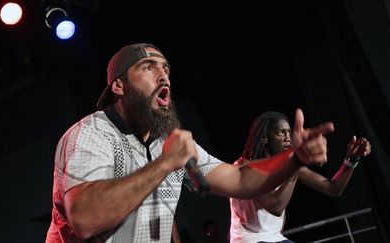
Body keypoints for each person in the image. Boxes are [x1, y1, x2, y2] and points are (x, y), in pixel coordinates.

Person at [44, 43, 334, 243]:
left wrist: (294, 158)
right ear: (119, 86)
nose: (163, 75)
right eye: (148, 67)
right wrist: (166, 163)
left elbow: (240, 178)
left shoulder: (167, 142)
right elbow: (85, 218)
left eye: (166, 69)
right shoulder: (91, 134)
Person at [229, 111, 372, 243]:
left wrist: (351, 160)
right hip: (250, 240)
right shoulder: (246, 166)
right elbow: (275, 206)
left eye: (289, 133)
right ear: (265, 137)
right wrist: (296, 163)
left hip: (273, 238)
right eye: (281, 133)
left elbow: (333, 188)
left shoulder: (289, 167)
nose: (287, 138)